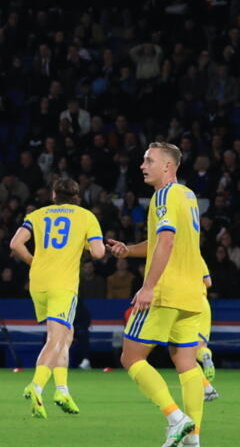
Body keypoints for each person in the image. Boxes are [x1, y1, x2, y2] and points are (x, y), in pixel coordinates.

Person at [106, 142, 207, 447]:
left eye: (149, 160)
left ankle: (175, 418)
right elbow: (160, 242)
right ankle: (194, 440)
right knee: (187, 364)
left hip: (165, 292)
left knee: (131, 356)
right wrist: (130, 250)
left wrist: (147, 287)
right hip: (193, 294)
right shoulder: (188, 196)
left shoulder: (163, 195)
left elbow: (166, 243)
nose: (142, 165)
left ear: (168, 166)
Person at [9, 177, 105, 418]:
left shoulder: (37, 215)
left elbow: (15, 244)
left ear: (53, 195)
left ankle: (62, 390)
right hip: (62, 285)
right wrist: (88, 243)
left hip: (38, 282)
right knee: (56, 337)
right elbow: (98, 252)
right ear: (76, 196)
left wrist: (35, 262)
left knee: (66, 334)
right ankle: (36, 385)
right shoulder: (86, 217)